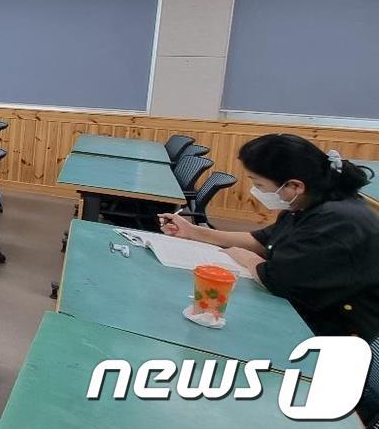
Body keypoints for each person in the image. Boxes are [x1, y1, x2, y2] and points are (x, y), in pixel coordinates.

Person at [158, 134, 379, 340]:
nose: (257, 189)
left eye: (259, 184)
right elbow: (261, 241)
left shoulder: (337, 222)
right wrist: (194, 232)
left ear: (294, 186)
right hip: (309, 314)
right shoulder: (309, 205)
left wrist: (246, 258)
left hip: (339, 333)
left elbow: (277, 279)